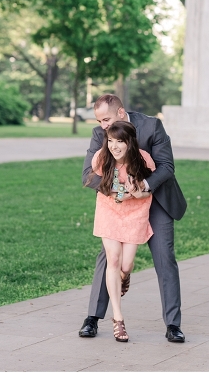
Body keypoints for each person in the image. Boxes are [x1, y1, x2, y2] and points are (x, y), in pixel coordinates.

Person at [78, 94, 187, 343]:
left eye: (106, 119)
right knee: (109, 257)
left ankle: (173, 324)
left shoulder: (152, 126)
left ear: (120, 112)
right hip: (118, 204)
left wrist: (143, 187)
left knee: (164, 256)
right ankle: (93, 318)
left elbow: (166, 167)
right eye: (99, 121)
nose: (103, 126)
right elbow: (88, 174)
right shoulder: (100, 134)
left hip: (155, 197)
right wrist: (117, 191)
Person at [89, 121, 155, 342]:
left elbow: (148, 193)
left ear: (130, 143)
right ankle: (118, 319)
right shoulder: (101, 158)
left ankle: (124, 278)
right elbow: (97, 183)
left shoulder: (144, 159)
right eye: (110, 141)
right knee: (113, 260)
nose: (114, 147)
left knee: (125, 266)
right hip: (109, 211)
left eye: (120, 142)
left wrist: (137, 194)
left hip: (135, 213)